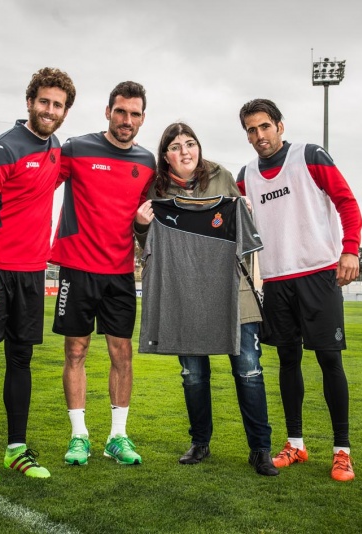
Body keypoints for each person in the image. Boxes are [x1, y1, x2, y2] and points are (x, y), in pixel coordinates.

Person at [134, 122, 279, 476]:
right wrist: (140, 225)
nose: (185, 151)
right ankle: (200, 442)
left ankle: (260, 449)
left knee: (249, 370)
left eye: (190, 144)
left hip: (233, 289)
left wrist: (244, 210)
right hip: (184, 293)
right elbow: (147, 245)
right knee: (193, 375)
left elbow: (246, 234)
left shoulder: (221, 177)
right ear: (165, 156)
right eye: (175, 147)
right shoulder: (156, 190)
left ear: (198, 147)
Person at [236, 98, 362, 482]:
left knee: (329, 360)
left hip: (319, 274)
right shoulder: (246, 175)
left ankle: (342, 452)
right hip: (276, 280)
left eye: (265, 126)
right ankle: (295, 444)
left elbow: (346, 202)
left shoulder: (309, 156)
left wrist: (350, 250)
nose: (259, 135)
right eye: (251, 130)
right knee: (287, 361)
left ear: (280, 126)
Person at [0, 67, 76, 485]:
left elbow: (57, 181)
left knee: (21, 360)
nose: (50, 110)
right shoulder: (1, 149)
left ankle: (16, 449)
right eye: (44, 101)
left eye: (58, 105)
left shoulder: (56, 149)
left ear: (65, 111)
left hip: (31, 273)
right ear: (30, 102)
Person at [50, 81, 156, 466]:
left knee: (121, 353)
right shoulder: (76, 148)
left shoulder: (147, 162)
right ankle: (79, 436)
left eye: (134, 114)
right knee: (76, 350)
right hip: (77, 267)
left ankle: (117, 436)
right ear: (108, 111)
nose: (126, 120)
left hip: (120, 272)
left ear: (142, 118)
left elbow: (150, 219)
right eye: (120, 111)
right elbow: (38, 186)